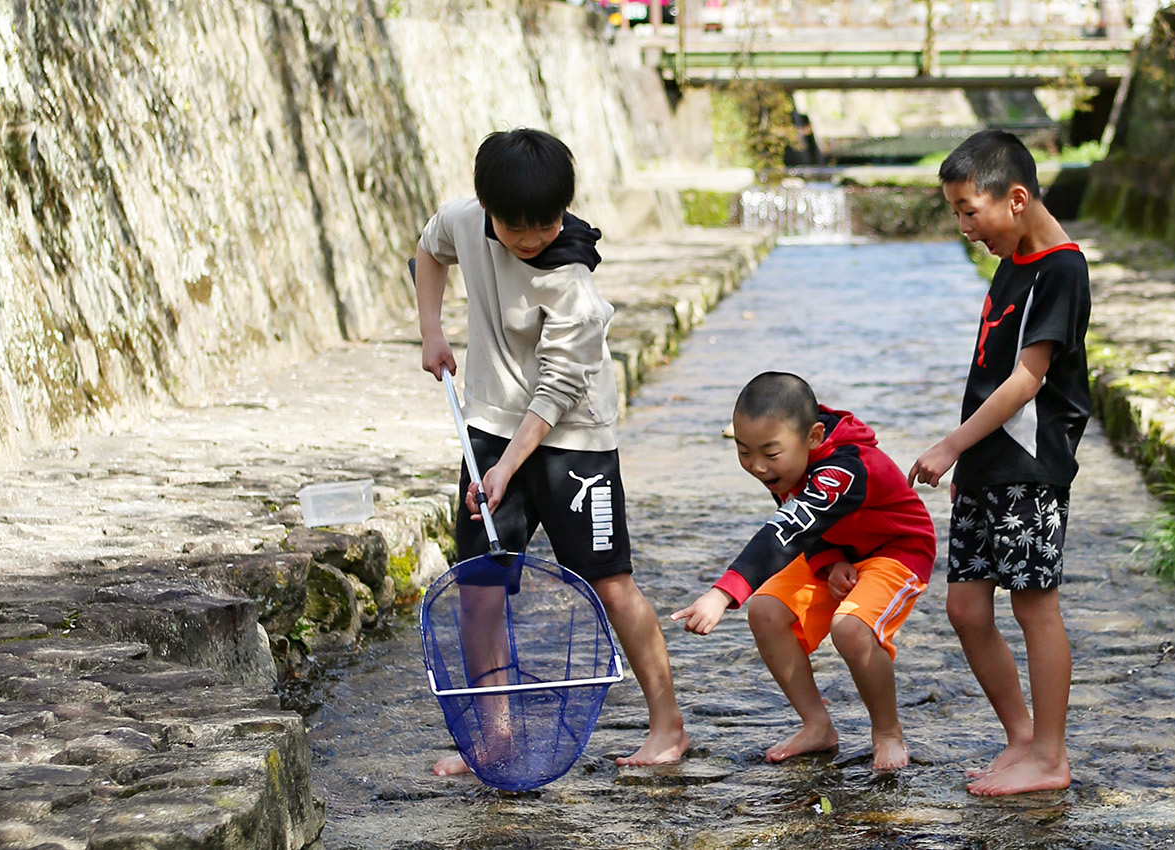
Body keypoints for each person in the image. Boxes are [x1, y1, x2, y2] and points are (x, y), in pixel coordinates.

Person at [413, 128, 687, 771]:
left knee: (610, 584)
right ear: (487, 212)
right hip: (488, 424)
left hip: (573, 441)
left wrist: (507, 468)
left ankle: (667, 726)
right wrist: (431, 330)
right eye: (517, 227)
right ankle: (495, 736)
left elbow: (558, 389)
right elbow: (429, 250)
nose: (533, 238)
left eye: (547, 222)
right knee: (481, 587)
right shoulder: (465, 220)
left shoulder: (572, 285)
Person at [907, 129, 1091, 796]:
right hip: (991, 463)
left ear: (1016, 199)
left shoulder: (1062, 270)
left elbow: (1027, 381)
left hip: (1032, 466)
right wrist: (971, 461)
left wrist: (952, 443)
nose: (963, 227)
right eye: (955, 212)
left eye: (967, 210)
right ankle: (1021, 736)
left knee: (1034, 607)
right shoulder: (1013, 257)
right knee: (965, 609)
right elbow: (988, 375)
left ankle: (1050, 755)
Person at [671, 373, 936, 771]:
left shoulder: (843, 469)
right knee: (765, 610)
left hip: (897, 549)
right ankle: (817, 726)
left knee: (851, 627)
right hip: (840, 549)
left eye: (768, 454)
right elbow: (808, 526)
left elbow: (788, 527)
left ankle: (887, 731)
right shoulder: (786, 461)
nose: (757, 467)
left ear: (813, 438)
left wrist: (722, 592)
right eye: (744, 452)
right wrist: (828, 560)